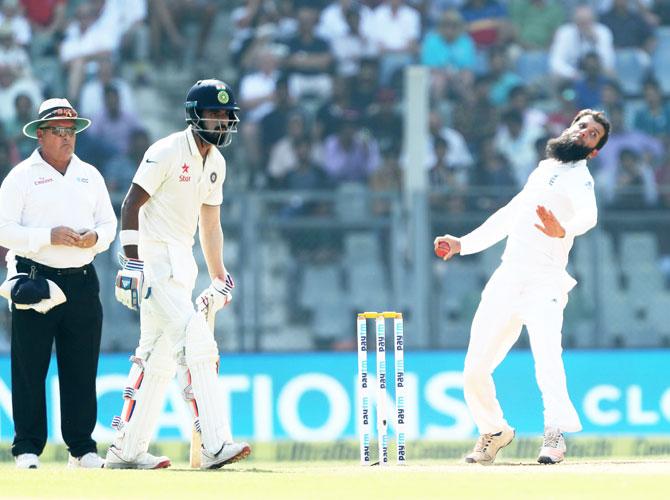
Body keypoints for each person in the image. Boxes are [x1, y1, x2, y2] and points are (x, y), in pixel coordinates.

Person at [434, 109, 610, 465]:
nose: (583, 133)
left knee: (547, 359)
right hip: (507, 277)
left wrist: (565, 229)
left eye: (592, 135)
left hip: (545, 280)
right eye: (581, 126)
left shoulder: (581, 177)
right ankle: (494, 432)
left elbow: (589, 215)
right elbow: (510, 214)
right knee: (474, 367)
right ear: (569, 126)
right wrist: (462, 243)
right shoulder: (545, 169)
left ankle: (554, 436)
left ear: (594, 151)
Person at [105, 79, 251, 470]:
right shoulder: (167, 150)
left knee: (157, 359)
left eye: (226, 116)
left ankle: (126, 451)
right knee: (196, 342)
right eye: (214, 114)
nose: (221, 122)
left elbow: (211, 225)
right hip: (152, 261)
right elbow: (131, 204)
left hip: (181, 264)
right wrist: (131, 262)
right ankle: (214, 445)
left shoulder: (216, 163)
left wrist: (219, 275)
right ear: (195, 114)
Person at [0, 98, 117, 469]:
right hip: (36, 278)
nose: (67, 138)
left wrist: (92, 240)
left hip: (82, 280)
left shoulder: (90, 175)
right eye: (58, 131)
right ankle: (27, 448)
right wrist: (47, 236)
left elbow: (109, 225)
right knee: (29, 366)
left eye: (71, 131)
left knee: (81, 367)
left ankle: (82, 447)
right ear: (40, 136)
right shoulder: (20, 177)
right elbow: (4, 230)